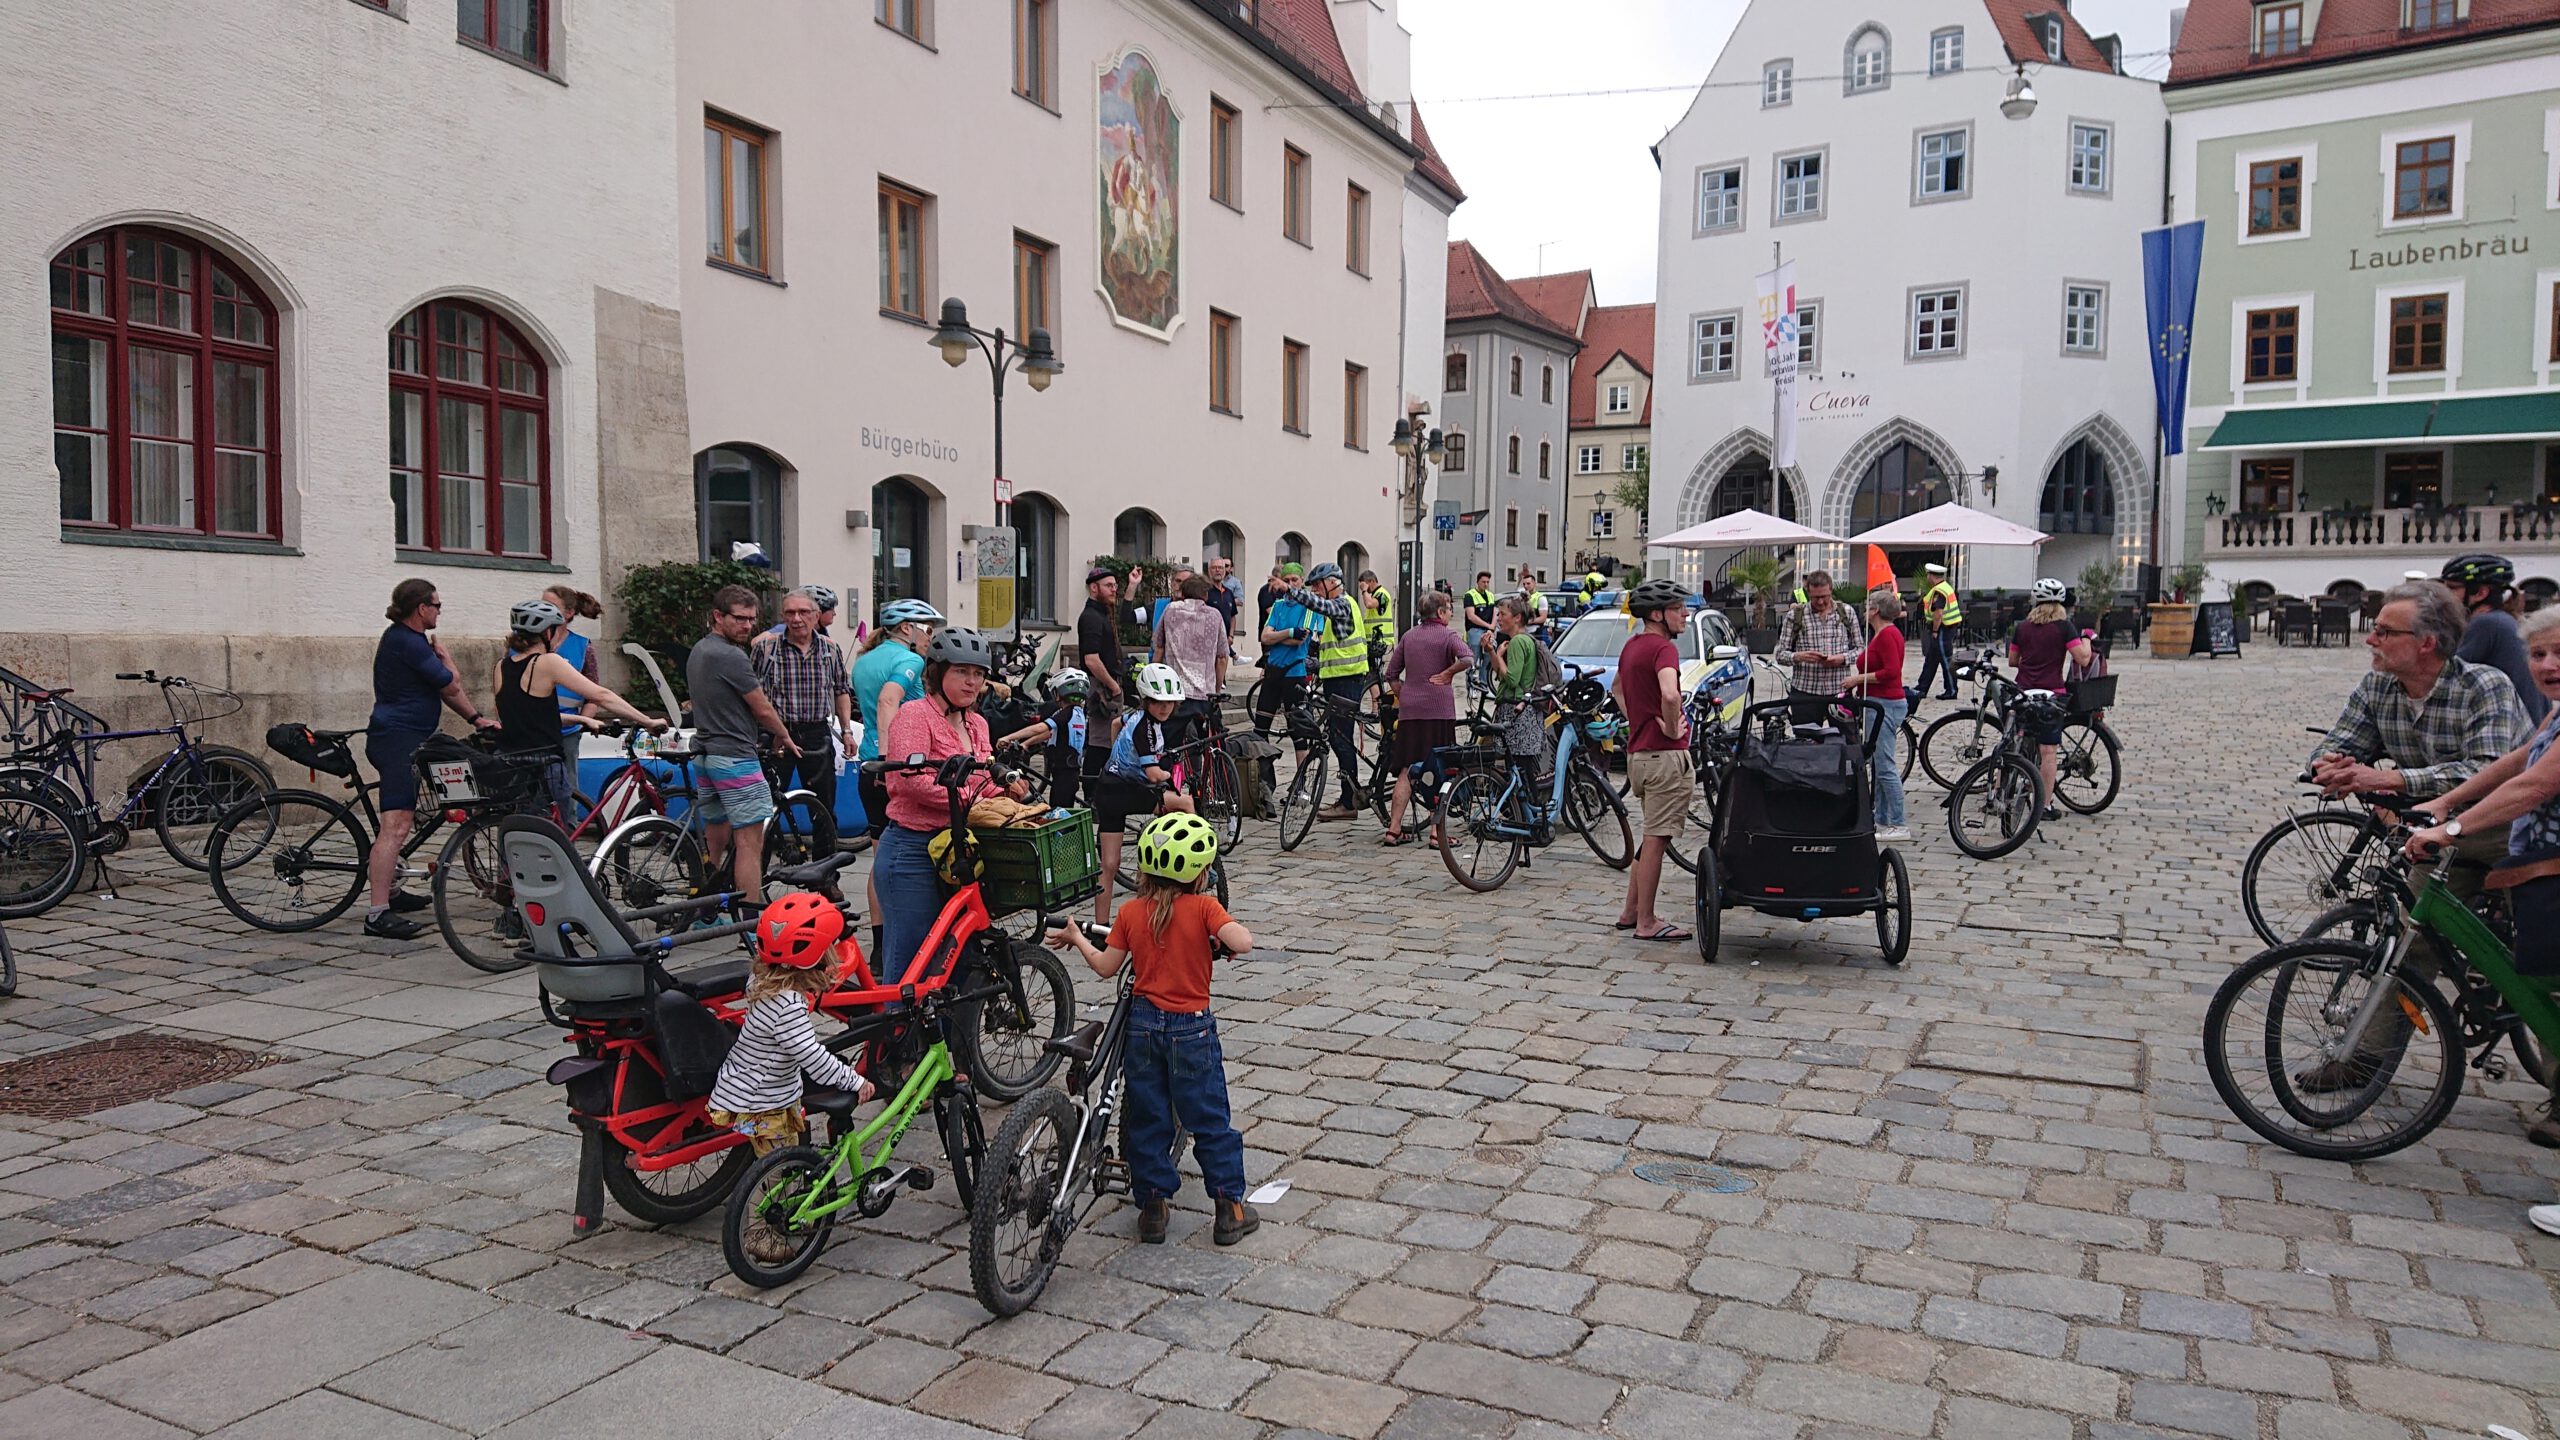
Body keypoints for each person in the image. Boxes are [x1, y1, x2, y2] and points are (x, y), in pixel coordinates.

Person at [1046, 812, 1259, 1247]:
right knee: (1210, 1119)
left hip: (1142, 1028)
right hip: (1191, 1032)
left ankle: (1153, 1209)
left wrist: (1076, 937)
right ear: (1199, 875)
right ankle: (1228, 1209)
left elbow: (1107, 967)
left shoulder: (1131, 911)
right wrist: (1219, 937)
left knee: (1148, 1118)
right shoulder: (1203, 907)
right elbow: (1243, 943)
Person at [2402, 604, 2560, 1148]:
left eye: (2559, 652)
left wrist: (2454, 829)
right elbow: (2518, 761)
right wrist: (2444, 802)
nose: (2546, 664)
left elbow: (2535, 786)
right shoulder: (2556, 713)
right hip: (2541, 861)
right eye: (2538, 654)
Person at [874, 629, 1033, 981]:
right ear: (938, 672)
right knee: (910, 961)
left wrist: (1007, 789)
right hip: (913, 850)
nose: (972, 681)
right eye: (961, 671)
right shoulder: (915, 716)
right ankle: (893, 1034)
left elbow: (984, 776)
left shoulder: (977, 723)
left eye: (978, 674)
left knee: (956, 958)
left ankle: (948, 1035)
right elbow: (907, 781)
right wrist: (971, 794)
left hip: (960, 849)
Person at [363, 580, 498, 940]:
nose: (440, 611)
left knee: (403, 822)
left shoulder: (408, 640)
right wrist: (450, 663)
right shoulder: (408, 642)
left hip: (408, 738)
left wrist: (475, 719)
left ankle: (391, 891)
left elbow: (445, 693)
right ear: (421, 608)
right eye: (437, 605)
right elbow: (450, 684)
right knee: (396, 826)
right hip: (397, 741)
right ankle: (377, 914)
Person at [708, 891, 873, 1163]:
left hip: (746, 1089)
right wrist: (855, 1080)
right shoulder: (788, 1006)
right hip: (765, 1103)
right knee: (781, 1172)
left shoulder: (761, 983)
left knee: (764, 1163)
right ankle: (772, 1202)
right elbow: (814, 1058)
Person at [687, 585, 801, 910]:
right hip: (736, 756)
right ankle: (751, 921)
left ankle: (710, 894)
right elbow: (761, 707)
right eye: (739, 619)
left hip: (706, 752)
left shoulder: (700, 650)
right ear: (717, 616)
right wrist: (784, 735)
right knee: (750, 841)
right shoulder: (731, 656)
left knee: (716, 830)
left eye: (752, 620)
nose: (747, 626)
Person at [493, 598, 664, 813]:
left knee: (523, 826)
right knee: (561, 830)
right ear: (548, 633)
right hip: (545, 765)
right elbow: (601, 695)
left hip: (513, 765)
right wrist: (647, 721)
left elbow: (526, 717)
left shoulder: (501, 667)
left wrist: (580, 719)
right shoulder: (547, 662)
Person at [1614, 578, 1694, 941]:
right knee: (1657, 840)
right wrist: (1672, 728)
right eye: (1679, 609)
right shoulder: (1664, 650)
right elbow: (1670, 693)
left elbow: (1617, 688)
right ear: (1658, 614)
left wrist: (1639, 719)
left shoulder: (1632, 647)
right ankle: (1647, 921)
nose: (1685, 614)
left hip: (1639, 756)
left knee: (1649, 839)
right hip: (1665, 758)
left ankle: (1631, 911)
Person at [1095, 663, 1197, 921]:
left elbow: (1116, 724)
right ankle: (1196, 856)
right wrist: (1171, 776)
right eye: (1156, 702)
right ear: (1146, 700)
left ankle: (1101, 926)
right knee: (1185, 803)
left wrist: (1116, 755)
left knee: (1108, 865)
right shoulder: (1147, 728)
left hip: (1107, 786)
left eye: (1169, 702)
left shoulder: (1135, 717)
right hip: (1126, 791)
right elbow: (1153, 774)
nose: (1164, 708)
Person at [1377, 590, 1472, 844]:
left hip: (1410, 713)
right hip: (1439, 711)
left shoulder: (1409, 636)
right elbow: (1467, 658)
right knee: (1438, 769)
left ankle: (1393, 828)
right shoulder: (1448, 635)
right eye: (1449, 609)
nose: (1451, 613)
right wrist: (1448, 673)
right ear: (1440, 613)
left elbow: (1391, 673)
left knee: (1407, 769)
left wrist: (1404, 693)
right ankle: (1435, 832)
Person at [754, 588, 856, 823]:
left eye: (803, 612)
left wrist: (847, 731)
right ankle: (762, 855)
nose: (796, 619)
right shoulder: (767, 649)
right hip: (777, 734)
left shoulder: (830, 649)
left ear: (816, 615)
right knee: (767, 804)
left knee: (823, 804)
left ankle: (826, 856)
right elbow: (752, 695)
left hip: (816, 733)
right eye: (790, 613)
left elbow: (841, 691)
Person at [2010, 579, 2095, 821]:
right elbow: (2083, 659)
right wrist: (2087, 637)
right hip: (2051, 694)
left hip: (2024, 692)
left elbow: (2013, 660)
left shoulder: (2023, 627)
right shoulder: (2064, 627)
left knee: (2013, 745)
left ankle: (1998, 792)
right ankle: (2044, 805)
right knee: (2048, 751)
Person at [1301, 564, 1372, 820]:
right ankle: (1347, 796)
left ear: (1332, 582)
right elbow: (1338, 648)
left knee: (1342, 740)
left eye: (1318, 585)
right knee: (1338, 738)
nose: (1316, 591)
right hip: (1338, 680)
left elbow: (1322, 606)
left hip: (1346, 682)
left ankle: (1348, 802)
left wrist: (1292, 590)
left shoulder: (1342, 604)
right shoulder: (1340, 609)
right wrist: (1317, 663)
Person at [2444, 555, 2547, 725]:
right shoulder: (2503, 619)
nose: (2444, 595)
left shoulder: (2486, 624)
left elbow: (2445, 676)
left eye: (2451, 588)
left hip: (2513, 735)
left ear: (2480, 593)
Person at [1847, 589, 1911, 840]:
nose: (1865, 610)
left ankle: (1898, 821)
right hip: (1878, 700)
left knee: (1885, 765)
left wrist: (1858, 679)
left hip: (1885, 701)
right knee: (1878, 762)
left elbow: (1891, 671)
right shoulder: (1882, 634)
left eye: (1868, 606)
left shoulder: (1887, 635)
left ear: (1875, 611)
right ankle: (1882, 818)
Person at [1774, 570, 1867, 725]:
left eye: (1824, 596)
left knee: (1843, 744)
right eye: (1815, 598)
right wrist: (1798, 657)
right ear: (1808, 593)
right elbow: (1779, 654)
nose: (1821, 602)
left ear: (1831, 590)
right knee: (1806, 745)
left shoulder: (1847, 613)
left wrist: (1842, 659)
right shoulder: (1795, 616)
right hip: (1805, 692)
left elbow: (1861, 650)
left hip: (1839, 692)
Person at [1152, 575, 1230, 742]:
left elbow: (1159, 646)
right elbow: (1222, 657)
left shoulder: (1171, 610)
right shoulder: (1215, 615)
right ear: (1206, 595)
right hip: (1205, 693)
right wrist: (1216, 690)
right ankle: (1218, 763)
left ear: (1183, 593)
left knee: (1170, 743)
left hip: (1176, 692)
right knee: (1214, 740)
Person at [1079, 568, 1132, 795]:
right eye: (1109, 586)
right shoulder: (1091, 617)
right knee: (1100, 744)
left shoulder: (1103, 613)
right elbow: (1091, 660)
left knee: (1105, 742)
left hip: (1108, 685)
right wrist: (1113, 686)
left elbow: (1125, 617)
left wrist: (1132, 586)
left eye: (1115, 586)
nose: (1114, 590)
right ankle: (1091, 795)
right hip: (1101, 688)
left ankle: (1098, 793)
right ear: (1094, 587)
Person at [542, 585, 607, 772]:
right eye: (541, 604)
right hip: (530, 730)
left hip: (566, 732)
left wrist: (582, 723)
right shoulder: (523, 643)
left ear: (569, 613)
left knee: (567, 788)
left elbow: (594, 694)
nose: (542, 610)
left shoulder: (582, 646)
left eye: (550, 606)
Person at [1033, 668, 1090, 809]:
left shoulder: (1067, 714)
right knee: (1063, 812)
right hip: (1068, 773)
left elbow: (1042, 728)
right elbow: (1049, 733)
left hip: (1064, 774)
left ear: (1058, 694)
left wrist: (1010, 737)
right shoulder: (1076, 713)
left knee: (1059, 816)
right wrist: (1026, 743)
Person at [1912, 562, 1963, 704]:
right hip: (1945, 628)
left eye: (1928, 574)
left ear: (1931, 576)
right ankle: (1922, 687)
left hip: (1943, 629)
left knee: (1946, 661)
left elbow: (1938, 613)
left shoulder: (1939, 591)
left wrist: (1934, 630)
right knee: (1931, 660)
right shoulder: (1944, 587)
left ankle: (1951, 690)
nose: (1927, 577)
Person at [1463, 571, 1500, 692]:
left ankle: (1484, 684)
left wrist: (1491, 628)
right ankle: (1471, 687)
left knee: (1488, 658)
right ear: (1477, 582)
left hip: (1488, 631)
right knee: (1473, 659)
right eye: (1483, 582)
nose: (1485, 584)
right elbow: (1471, 616)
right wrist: (1488, 625)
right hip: (1474, 630)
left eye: (1487, 582)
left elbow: (1495, 613)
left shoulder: (1490, 595)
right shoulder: (1470, 595)